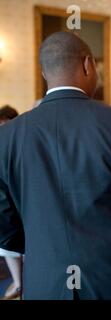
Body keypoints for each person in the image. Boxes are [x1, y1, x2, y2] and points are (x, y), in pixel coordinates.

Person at [0, 31, 111, 300]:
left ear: (44, 73)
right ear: (88, 64)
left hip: (45, 279)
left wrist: (42, 243)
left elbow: (4, 224)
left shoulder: (7, 136)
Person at [0, 105, 23, 300]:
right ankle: (17, 282)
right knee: (7, 244)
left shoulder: (22, 137)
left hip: (22, 197)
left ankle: (23, 282)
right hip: (6, 199)